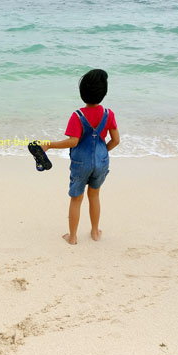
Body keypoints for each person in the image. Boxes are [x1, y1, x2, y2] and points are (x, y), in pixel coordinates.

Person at [41, 69, 120, 244]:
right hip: (101, 161)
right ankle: (94, 232)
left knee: (76, 198)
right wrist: (103, 152)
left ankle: (73, 237)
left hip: (80, 162)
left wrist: (49, 145)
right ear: (104, 93)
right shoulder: (108, 114)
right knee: (94, 194)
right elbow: (116, 140)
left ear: (82, 93)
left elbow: (73, 142)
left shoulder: (77, 116)